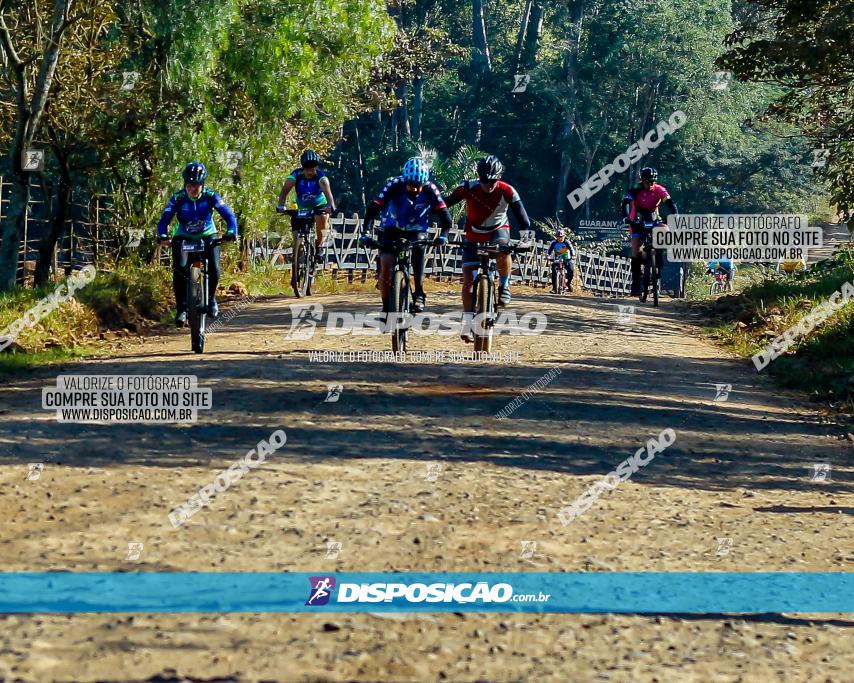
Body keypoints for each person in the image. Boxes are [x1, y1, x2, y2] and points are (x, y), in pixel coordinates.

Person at [445, 155, 531, 342]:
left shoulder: (508, 191)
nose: (489, 185)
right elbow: (445, 203)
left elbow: (523, 219)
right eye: (485, 181)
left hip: (498, 231)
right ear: (479, 177)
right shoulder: (467, 187)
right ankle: (468, 321)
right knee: (468, 279)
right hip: (473, 233)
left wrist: (525, 241)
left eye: (493, 181)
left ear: (499, 178)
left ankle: (505, 284)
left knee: (503, 249)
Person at [359, 157, 452, 315]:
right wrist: (365, 232)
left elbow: (446, 218)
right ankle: (386, 306)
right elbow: (373, 209)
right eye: (411, 186)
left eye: (418, 187)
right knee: (386, 262)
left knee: (419, 251)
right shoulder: (394, 185)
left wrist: (443, 235)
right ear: (405, 180)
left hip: (417, 231)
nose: (415, 190)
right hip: (392, 227)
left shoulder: (431, 189)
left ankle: (419, 293)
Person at [157, 161, 237, 326]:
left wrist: (231, 231)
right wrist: (162, 235)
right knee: (179, 268)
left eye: (197, 185)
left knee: (214, 267)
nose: (193, 189)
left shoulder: (210, 196)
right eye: (190, 185)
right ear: (185, 184)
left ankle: (211, 298)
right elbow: (164, 220)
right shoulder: (178, 198)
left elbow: (229, 216)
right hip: (184, 237)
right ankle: (182, 309)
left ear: (203, 184)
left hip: (208, 235)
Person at [622, 167, 678, 297]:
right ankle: (636, 283)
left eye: (653, 181)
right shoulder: (636, 189)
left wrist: (675, 215)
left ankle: (658, 255)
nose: (651, 184)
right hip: (637, 219)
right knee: (636, 251)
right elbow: (625, 203)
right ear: (643, 181)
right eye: (648, 182)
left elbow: (670, 204)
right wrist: (626, 217)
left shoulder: (659, 190)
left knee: (665, 230)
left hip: (653, 218)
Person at [276, 150, 336, 259]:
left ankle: (319, 245)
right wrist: (281, 205)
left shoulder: (321, 178)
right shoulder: (296, 174)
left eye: (312, 168)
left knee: (322, 217)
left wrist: (330, 206)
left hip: (319, 206)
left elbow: (329, 194)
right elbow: (285, 190)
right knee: (296, 236)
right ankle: (297, 261)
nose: (310, 171)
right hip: (302, 207)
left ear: (316, 167)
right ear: (303, 167)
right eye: (307, 168)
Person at [547, 229, 576, 293]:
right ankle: (554, 288)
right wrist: (548, 256)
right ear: (556, 237)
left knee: (571, 270)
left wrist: (573, 255)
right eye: (558, 237)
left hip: (567, 259)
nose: (560, 238)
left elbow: (572, 249)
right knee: (554, 271)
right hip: (557, 259)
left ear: (564, 236)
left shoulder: (567, 242)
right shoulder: (554, 243)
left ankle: (568, 283)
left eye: (561, 237)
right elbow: (549, 251)